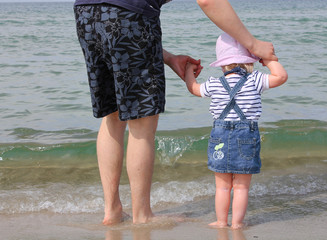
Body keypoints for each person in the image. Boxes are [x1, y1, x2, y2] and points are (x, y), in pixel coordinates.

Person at [73, 0, 277, 225]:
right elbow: (208, 1)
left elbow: (115, 20)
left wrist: (168, 58)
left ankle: (112, 211)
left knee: (113, 115)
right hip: (128, 14)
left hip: (86, 13)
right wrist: (253, 44)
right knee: (141, 120)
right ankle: (142, 216)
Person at [184, 32, 287, 228]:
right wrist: (268, 59)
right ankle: (237, 223)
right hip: (246, 135)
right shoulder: (255, 79)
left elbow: (194, 88)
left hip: (219, 136)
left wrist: (190, 70)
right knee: (241, 187)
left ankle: (221, 221)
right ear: (249, 60)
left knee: (222, 187)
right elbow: (281, 76)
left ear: (222, 63)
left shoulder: (214, 84)